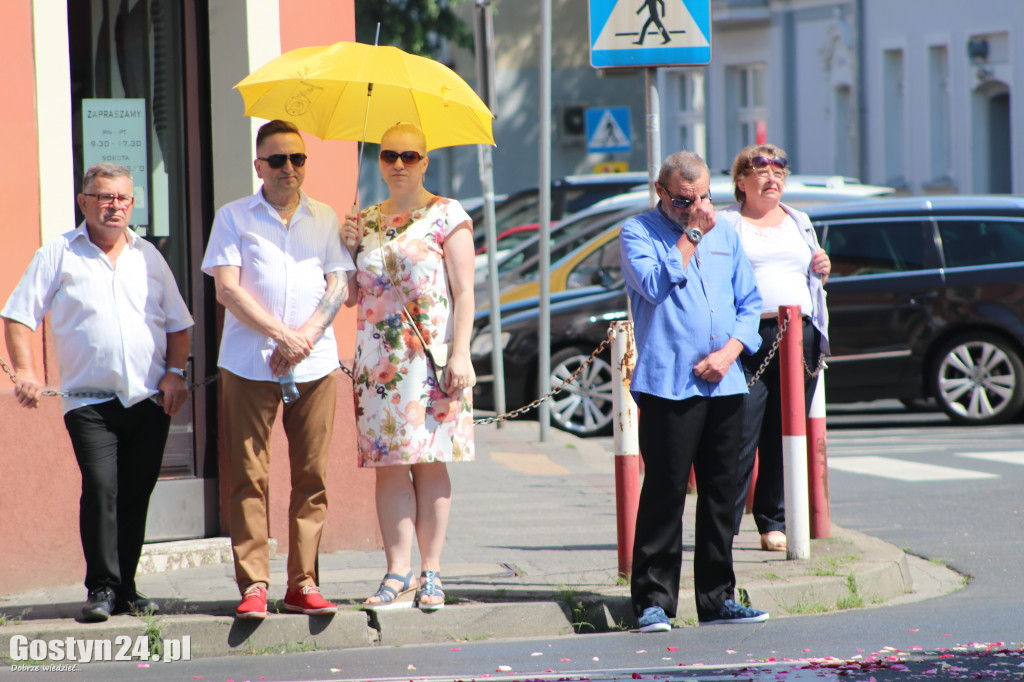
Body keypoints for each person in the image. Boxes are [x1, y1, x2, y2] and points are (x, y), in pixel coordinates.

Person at [2, 163, 193, 622]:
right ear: (84, 202)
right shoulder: (60, 253)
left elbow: (179, 325)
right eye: (105, 197)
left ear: (133, 204)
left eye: (123, 198)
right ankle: (101, 589)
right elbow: (18, 316)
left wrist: (174, 373)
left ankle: (126, 588)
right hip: (89, 402)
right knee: (102, 487)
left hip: (147, 400)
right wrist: (27, 370)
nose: (115, 206)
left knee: (136, 493)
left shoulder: (149, 255)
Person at [201, 119, 354, 619]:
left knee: (312, 476)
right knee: (249, 476)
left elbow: (338, 284)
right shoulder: (234, 217)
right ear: (258, 165)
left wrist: (304, 336)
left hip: (315, 364)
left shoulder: (325, 217)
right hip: (250, 364)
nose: (289, 168)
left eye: (298, 159)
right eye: (278, 160)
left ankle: (303, 582)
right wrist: (280, 335)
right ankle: (254, 585)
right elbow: (227, 289)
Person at [619, 150, 769, 632]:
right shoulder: (638, 232)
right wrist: (691, 234)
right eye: (685, 201)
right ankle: (653, 602)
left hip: (725, 382)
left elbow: (750, 303)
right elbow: (654, 285)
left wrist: (730, 353)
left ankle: (718, 598)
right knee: (665, 494)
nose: (697, 207)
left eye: (704, 197)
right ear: (661, 193)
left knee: (723, 494)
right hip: (669, 385)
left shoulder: (725, 231)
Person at [341, 122, 475, 612]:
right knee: (390, 468)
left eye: (410, 156)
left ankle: (431, 572)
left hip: (432, 361)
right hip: (378, 364)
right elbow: (353, 294)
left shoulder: (447, 214)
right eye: (389, 155)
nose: (398, 164)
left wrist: (461, 353)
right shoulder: (365, 220)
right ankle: (397, 573)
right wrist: (346, 247)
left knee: (431, 463)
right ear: (379, 160)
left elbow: (465, 294)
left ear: (425, 161)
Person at [718, 144, 830, 552]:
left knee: (786, 434)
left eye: (779, 172)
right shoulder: (727, 223)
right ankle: (724, 527)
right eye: (761, 171)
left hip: (798, 334)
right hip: (746, 338)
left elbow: (812, 274)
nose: (772, 179)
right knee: (738, 432)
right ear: (741, 182)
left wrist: (823, 269)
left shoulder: (798, 221)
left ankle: (774, 521)